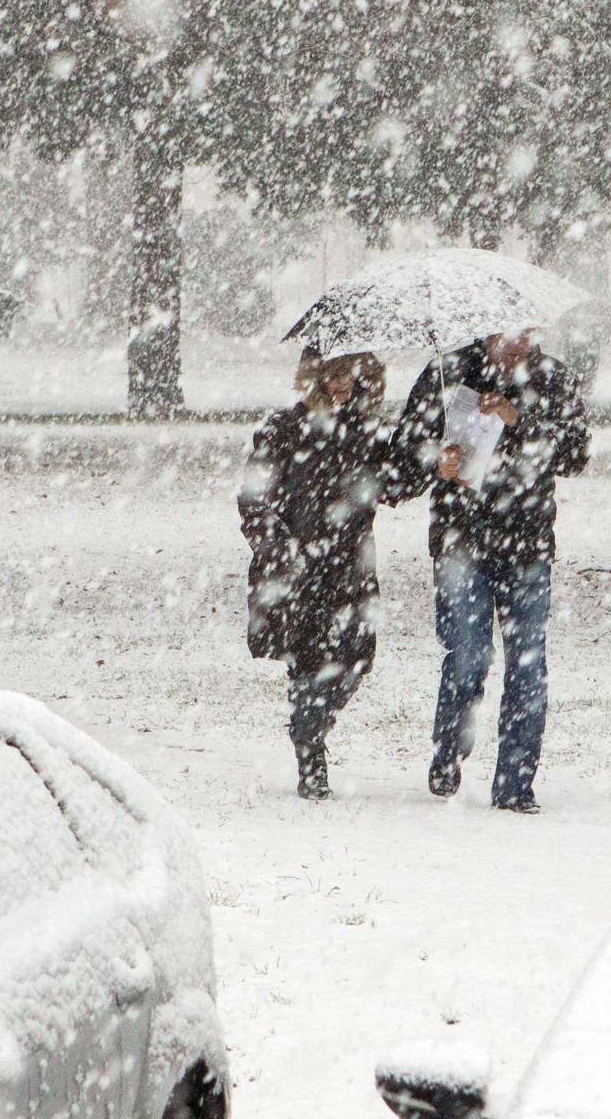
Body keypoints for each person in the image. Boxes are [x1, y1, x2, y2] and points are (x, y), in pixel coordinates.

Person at [386, 328, 588, 810]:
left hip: (527, 545)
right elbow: (401, 463)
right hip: (461, 543)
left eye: (527, 332)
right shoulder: (446, 374)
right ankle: (448, 753)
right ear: (486, 330)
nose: (518, 342)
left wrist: (521, 421)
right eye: (507, 333)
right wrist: (434, 463)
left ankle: (515, 785)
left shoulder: (553, 379)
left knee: (528, 666)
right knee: (468, 655)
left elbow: (576, 455)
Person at [238, 348, 388, 801]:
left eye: (349, 374)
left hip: (350, 565)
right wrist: (280, 546)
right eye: (332, 374)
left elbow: (396, 481)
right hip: (298, 566)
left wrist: (439, 461)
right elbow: (253, 499)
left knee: (356, 657)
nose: (340, 384)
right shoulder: (283, 427)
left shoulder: (367, 431)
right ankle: (310, 753)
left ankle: (311, 723)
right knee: (307, 660)